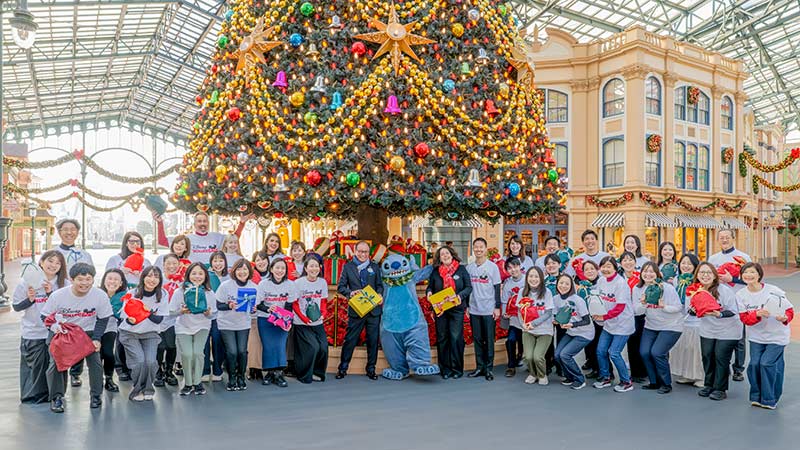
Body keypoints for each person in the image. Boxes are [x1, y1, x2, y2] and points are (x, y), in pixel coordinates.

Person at [41, 263, 112, 413]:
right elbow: (45, 315)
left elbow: (103, 318)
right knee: (56, 365)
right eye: (80, 279)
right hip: (63, 333)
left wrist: (97, 338)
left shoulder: (100, 295)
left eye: (88, 279)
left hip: (88, 332)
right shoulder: (58, 295)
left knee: (95, 363)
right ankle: (57, 397)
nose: (85, 283)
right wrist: (55, 327)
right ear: (72, 279)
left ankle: (96, 396)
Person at [13, 250, 69, 404]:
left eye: (58, 263)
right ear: (41, 262)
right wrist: (30, 300)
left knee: (57, 366)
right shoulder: (26, 282)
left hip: (56, 333)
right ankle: (36, 397)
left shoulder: (64, 284)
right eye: (50, 261)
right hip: (33, 332)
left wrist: (50, 293)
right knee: (36, 368)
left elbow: (66, 307)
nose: (54, 265)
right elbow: (16, 306)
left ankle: (56, 395)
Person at [736, 262, 794, 410]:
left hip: (777, 336)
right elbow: (745, 319)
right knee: (755, 364)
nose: (749, 275)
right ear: (741, 275)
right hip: (756, 337)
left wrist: (784, 318)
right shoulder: (740, 295)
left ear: (759, 275)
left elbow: (789, 310)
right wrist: (757, 314)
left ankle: (769, 399)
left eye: (752, 272)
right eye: (745, 272)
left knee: (767, 363)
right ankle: (756, 396)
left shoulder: (773, 290)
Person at [690, 262, 741, 401]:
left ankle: (720, 388)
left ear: (714, 275)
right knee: (707, 356)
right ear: (697, 275)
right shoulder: (696, 290)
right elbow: (694, 310)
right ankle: (709, 385)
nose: (705, 275)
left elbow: (733, 311)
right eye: (702, 273)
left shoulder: (724, 290)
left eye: (708, 272)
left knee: (720, 357)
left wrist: (720, 314)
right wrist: (693, 311)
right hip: (707, 329)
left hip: (728, 330)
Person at [336, 240, 385, 380]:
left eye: (365, 252)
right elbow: (341, 287)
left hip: (373, 310)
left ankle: (371, 369)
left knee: (373, 340)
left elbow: (380, 286)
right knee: (350, 339)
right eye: (360, 251)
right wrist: (350, 293)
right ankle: (343, 368)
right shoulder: (348, 267)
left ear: (368, 253)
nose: (363, 254)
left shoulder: (375, 267)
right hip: (356, 309)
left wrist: (380, 294)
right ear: (355, 251)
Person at [708, 229, 752, 382]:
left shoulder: (743, 257)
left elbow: (750, 278)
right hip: (719, 300)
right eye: (721, 238)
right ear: (717, 240)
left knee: (739, 337)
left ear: (733, 238)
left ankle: (738, 369)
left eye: (727, 237)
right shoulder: (713, 258)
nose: (724, 240)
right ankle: (722, 366)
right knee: (721, 335)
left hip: (739, 300)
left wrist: (731, 278)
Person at [118, 266, 167, 402]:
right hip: (130, 333)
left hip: (150, 333)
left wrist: (145, 311)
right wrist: (135, 318)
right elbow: (128, 319)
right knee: (139, 361)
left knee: (151, 362)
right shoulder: (133, 293)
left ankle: (148, 389)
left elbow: (158, 319)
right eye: (149, 276)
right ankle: (137, 390)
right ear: (143, 277)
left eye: (156, 276)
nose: (152, 279)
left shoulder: (162, 294)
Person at [634, 262, 683, 394]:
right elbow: (637, 311)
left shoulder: (667, 288)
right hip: (651, 326)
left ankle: (666, 383)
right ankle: (654, 381)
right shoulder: (638, 289)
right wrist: (643, 303)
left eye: (651, 271)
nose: (648, 274)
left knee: (657, 352)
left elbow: (678, 308)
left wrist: (664, 307)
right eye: (645, 271)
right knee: (644, 352)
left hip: (671, 326)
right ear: (641, 273)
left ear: (657, 274)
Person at [170, 263, 217, 396]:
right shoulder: (180, 291)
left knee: (197, 353)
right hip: (183, 327)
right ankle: (188, 383)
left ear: (205, 276)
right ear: (188, 275)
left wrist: (208, 313)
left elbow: (214, 314)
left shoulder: (209, 293)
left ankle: (197, 382)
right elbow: (171, 311)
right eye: (194, 273)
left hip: (202, 326)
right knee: (187, 354)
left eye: (201, 273)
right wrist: (182, 311)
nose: (197, 276)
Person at [427, 246, 472, 380]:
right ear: (439, 258)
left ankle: (457, 368)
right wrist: (429, 292)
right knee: (442, 338)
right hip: (441, 310)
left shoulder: (461, 269)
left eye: (447, 253)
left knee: (456, 338)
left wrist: (460, 296)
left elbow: (468, 287)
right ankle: (445, 369)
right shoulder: (435, 271)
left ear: (452, 254)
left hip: (456, 309)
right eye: (442, 254)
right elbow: (430, 286)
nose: (445, 255)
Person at [592, 256, 635, 393]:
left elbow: (619, 307)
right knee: (600, 351)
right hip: (609, 323)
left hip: (623, 324)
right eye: (603, 266)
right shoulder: (601, 281)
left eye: (608, 266)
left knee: (614, 353)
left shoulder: (621, 284)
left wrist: (603, 316)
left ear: (615, 268)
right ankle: (605, 378)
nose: (605, 269)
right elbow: (597, 298)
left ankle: (626, 381)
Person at [215, 258, 256, 391]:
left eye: (245, 269)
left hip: (243, 323)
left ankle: (241, 377)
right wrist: (229, 305)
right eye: (239, 269)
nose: (242, 272)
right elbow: (218, 305)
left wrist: (255, 309)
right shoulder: (225, 286)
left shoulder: (254, 286)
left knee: (242, 351)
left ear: (249, 271)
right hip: (226, 324)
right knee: (232, 352)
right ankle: (232, 377)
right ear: (234, 271)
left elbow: (257, 306)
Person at [465, 238, 502, 381]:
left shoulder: (492, 267)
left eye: (481, 247)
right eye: (476, 247)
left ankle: (489, 368)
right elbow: (468, 289)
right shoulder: (470, 268)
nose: (478, 250)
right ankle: (479, 367)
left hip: (488, 309)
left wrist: (497, 307)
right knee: (478, 340)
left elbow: (497, 287)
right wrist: (467, 307)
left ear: (486, 249)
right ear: (473, 249)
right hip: (474, 309)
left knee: (489, 340)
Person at [256, 258, 295, 387]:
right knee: (268, 346)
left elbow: (289, 306)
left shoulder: (290, 284)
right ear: (271, 269)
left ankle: (279, 374)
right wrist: (268, 309)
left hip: (282, 319)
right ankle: (269, 373)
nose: (280, 270)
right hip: (265, 318)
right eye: (277, 268)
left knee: (280, 345)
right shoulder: (263, 284)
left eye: (283, 268)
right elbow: (258, 305)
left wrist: (286, 321)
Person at [155, 211, 247, 265]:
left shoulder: (216, 237)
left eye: (205, 221)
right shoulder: (186, 238)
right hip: (193, 274)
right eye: (199, 221)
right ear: (194, 224)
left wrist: (242, 223)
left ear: (208, 223)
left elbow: (233, 239)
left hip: (212, 274)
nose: (202, 223)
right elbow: (163, 241)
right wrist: (160, 223)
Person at [292, 254, 329, 384]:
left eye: (316, 266)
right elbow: (295, 303)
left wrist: (323, 313)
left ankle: (317, 372)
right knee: (312, 347)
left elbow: (323, 301)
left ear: (319, 267)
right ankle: (304, 374)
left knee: (323, 347)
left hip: (317, 321)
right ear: (306, 268)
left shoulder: (322, 282)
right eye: (311, 266)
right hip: (301, 322)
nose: (314, 269)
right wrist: (303, 318)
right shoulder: (299, 283)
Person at [553, 274, 594, 390]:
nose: (563, 286)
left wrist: (572, 324)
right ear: (557, 284)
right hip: (571, 332)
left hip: (584, 333)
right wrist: (556, 321)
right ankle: (569, 377)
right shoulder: (555, 299)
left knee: (565, 355)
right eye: (561, 283)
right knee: (557, 355)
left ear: (571, 286)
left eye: (567, 283)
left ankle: (580, 379)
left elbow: (587, 320)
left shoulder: (578, 300)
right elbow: (556, 316)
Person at [670, 253, 705, 387]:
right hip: (679, 319)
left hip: (696, 321)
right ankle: (686, 374)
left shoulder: (699, 281)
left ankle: (700, 376)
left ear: (695, 266)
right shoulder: (676, 280)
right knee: (682, 348)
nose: (686, 266)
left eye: (689, 264)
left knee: (696, 349)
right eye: (683, 263)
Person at [520, 267, 554, 385]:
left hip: (544, 330)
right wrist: (523, 324)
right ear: (527, 278)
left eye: (536, 276)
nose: (533, 279)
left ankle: (542, 375)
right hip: (528, 330)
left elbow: (548, 313)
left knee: (537, 356)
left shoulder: (547, 292)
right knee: (528, 357)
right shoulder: (522, 292)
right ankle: (533, 374)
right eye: (531, 276)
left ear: (541, 278)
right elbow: (519, 311)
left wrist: (533, 323)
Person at [619, 251, 647, 384]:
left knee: (640, 342)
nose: (628, 262)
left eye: (630, 260)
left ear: (635, 262)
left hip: (639, 314)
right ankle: (635, 372)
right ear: (620, 263)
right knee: (630, 344)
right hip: (623, 314)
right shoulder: (619, 278)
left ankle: (643, 371)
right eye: (624, 260)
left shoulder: (641, 277)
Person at [155, 254, 181, 387]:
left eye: (175, 264)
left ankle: (169, 372)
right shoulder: (158, 280)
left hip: (174, 319)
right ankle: (158, 371)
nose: (171, 266)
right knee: (160, 347)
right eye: (168, 264)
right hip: (158, 319)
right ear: (163, 265)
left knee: (171, 346)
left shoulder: (182, 281)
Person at [98, 268, 126, 393]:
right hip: (94, 327)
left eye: (116, 280)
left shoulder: (123, 297)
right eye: (110, 278)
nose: (112, 282)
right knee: (96, 355)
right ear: (104, 280)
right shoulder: (96, 293)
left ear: (121, 283)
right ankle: (97, 379)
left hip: (110, 327)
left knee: (108, 352)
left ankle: (109, 378)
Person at [202, 251, 228, 382]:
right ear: (211, 263)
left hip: (222, 316)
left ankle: (218, 370)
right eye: (215, 261)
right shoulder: (207, 276)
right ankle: (205, 370)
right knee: (205, 343)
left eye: (221, 260)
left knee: (218, 342)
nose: (218, 264)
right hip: (206, 315)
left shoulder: (230, 277)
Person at [577, 260, 603, 379]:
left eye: (592, 268)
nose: (589, 271)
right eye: (586, 269)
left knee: (600, 347)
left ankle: (605, 372)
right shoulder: (582, 285)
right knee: (590, 346)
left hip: (600, 321)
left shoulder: (602, 283)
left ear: (597, 270)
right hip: (587, 321)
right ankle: (594, 367)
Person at [500, 257, 525, 377]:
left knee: (523, 339)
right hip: (513, 318)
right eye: (509, 268)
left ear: (520, 266)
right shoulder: (507, 283)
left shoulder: (528, 279)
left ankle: (520, 356)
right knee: (511, 339)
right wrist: (504, 313)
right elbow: (504, 300)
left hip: (526, 317)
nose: (513, 270)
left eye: (515, 266)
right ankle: (511, 366)